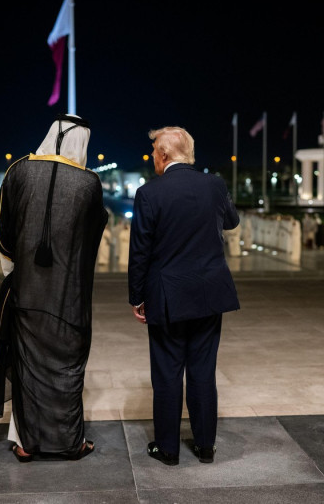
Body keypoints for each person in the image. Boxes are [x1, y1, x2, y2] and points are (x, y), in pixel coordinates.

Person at [0, 114, 108, 462]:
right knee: (67, 367)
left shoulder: (18, 170)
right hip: (68, 296)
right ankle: (70, 443)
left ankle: (26, 443)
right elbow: (92, 239)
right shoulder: (89, 184)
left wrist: (17, 266)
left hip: (26, 291)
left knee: (27, 365)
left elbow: (0, 229)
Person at [128, 126, 240, 466]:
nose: (152, 160)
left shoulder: (149, 193)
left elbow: (140, 252)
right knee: (203, 371)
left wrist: (137, 296)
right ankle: (205, 446)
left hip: (167, 296)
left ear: (163, 155)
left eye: (153, 154)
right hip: (209, 292)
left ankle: (168, 448)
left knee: (167, 372)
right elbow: (231, 222)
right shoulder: (215, 184)